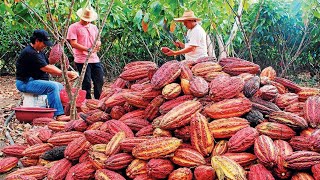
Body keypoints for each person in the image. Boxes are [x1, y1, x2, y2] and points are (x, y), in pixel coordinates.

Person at [16, 29, 78, 119]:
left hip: (35, 80)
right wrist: (66, 73)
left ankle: (60, 109)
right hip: (25, 83)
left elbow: (48, 65)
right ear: (37, 41)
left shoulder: (39, 52)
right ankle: (59, 115)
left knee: (59, 86)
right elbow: (46, 68)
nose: (45, 46)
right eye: (44, 43)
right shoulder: (30, 53)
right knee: (52, 87)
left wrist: (64, 73)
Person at [67, 5, 104, 99]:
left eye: (89, 19)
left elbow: (98, 40)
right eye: (85, 18)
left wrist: (98, 45)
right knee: (86, 82)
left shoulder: (94, 27)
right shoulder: (74, 27)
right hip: (81, 59)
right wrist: (87, 49)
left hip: (94, 58)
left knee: (99, 80)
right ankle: (87, 102)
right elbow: (73, 43)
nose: (87, 20)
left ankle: (98, 100)